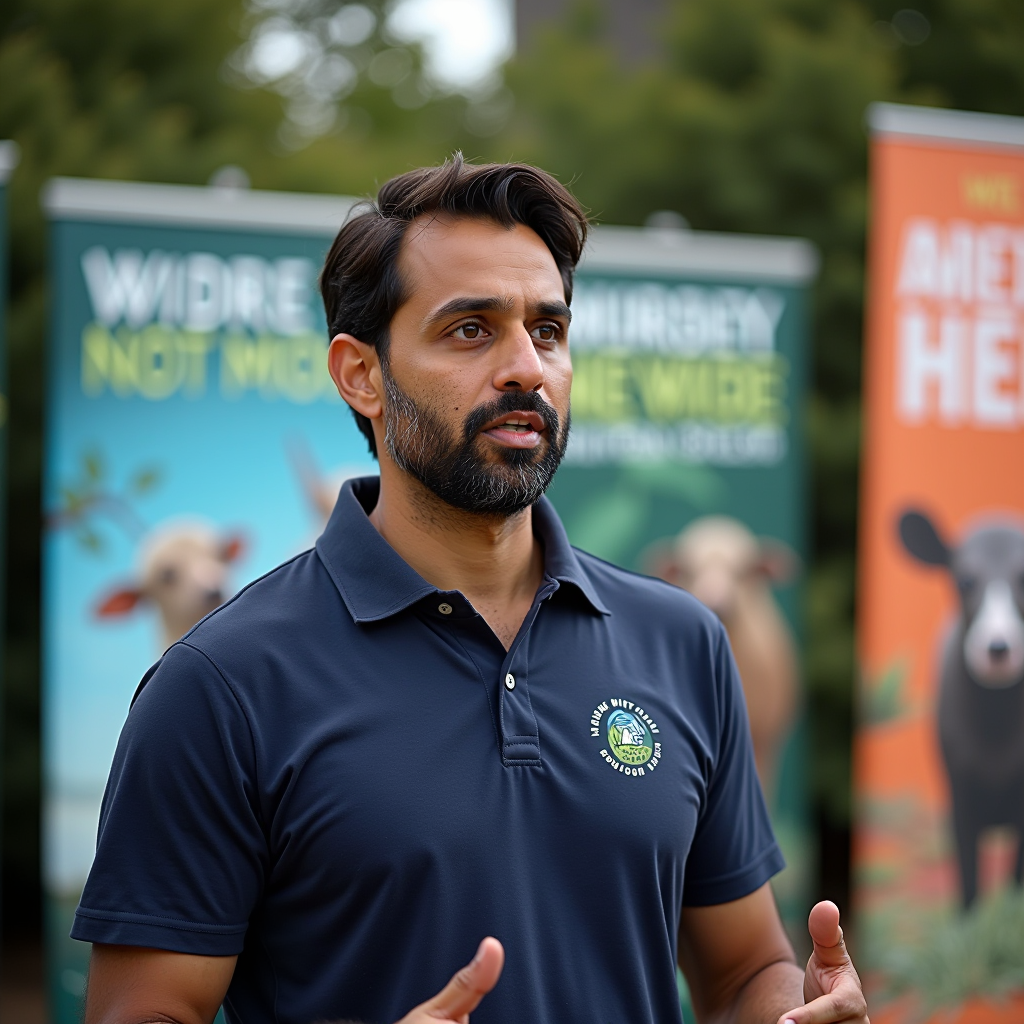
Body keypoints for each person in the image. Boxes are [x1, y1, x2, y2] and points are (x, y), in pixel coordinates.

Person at [74, 156, 868, 1024]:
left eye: (549, 331)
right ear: (360, 375)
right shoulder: (220, 684)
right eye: (470, 330)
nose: (526, 367)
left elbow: (744, 970)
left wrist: (793, 1011)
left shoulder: (680, 641)